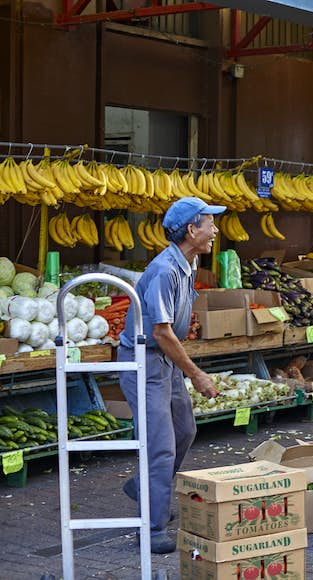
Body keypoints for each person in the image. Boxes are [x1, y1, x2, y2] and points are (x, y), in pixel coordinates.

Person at [117, 197, 224, 553]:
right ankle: (150, 529)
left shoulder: (187, 264)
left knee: (184, 430)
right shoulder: (165, 269)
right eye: (210, 224)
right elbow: (162, 332)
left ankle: (145, 487)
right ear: (192, 230)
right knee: (161, 446)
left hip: (163, 360)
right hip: (144, 361)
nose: (215, 230)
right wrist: (197, 374)